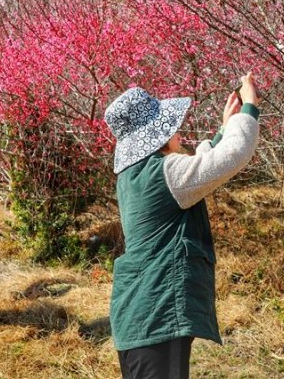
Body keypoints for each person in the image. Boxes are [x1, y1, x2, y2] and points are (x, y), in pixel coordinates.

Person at [104, 72, 261, 379]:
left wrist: (222, 130)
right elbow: (233, 155)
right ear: (157, 135)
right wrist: (250, 106)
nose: (177, 131)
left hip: (138, 314)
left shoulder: (135, 175)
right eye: (170, 126)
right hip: (157, 314)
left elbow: (193, 173)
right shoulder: (165, 174)